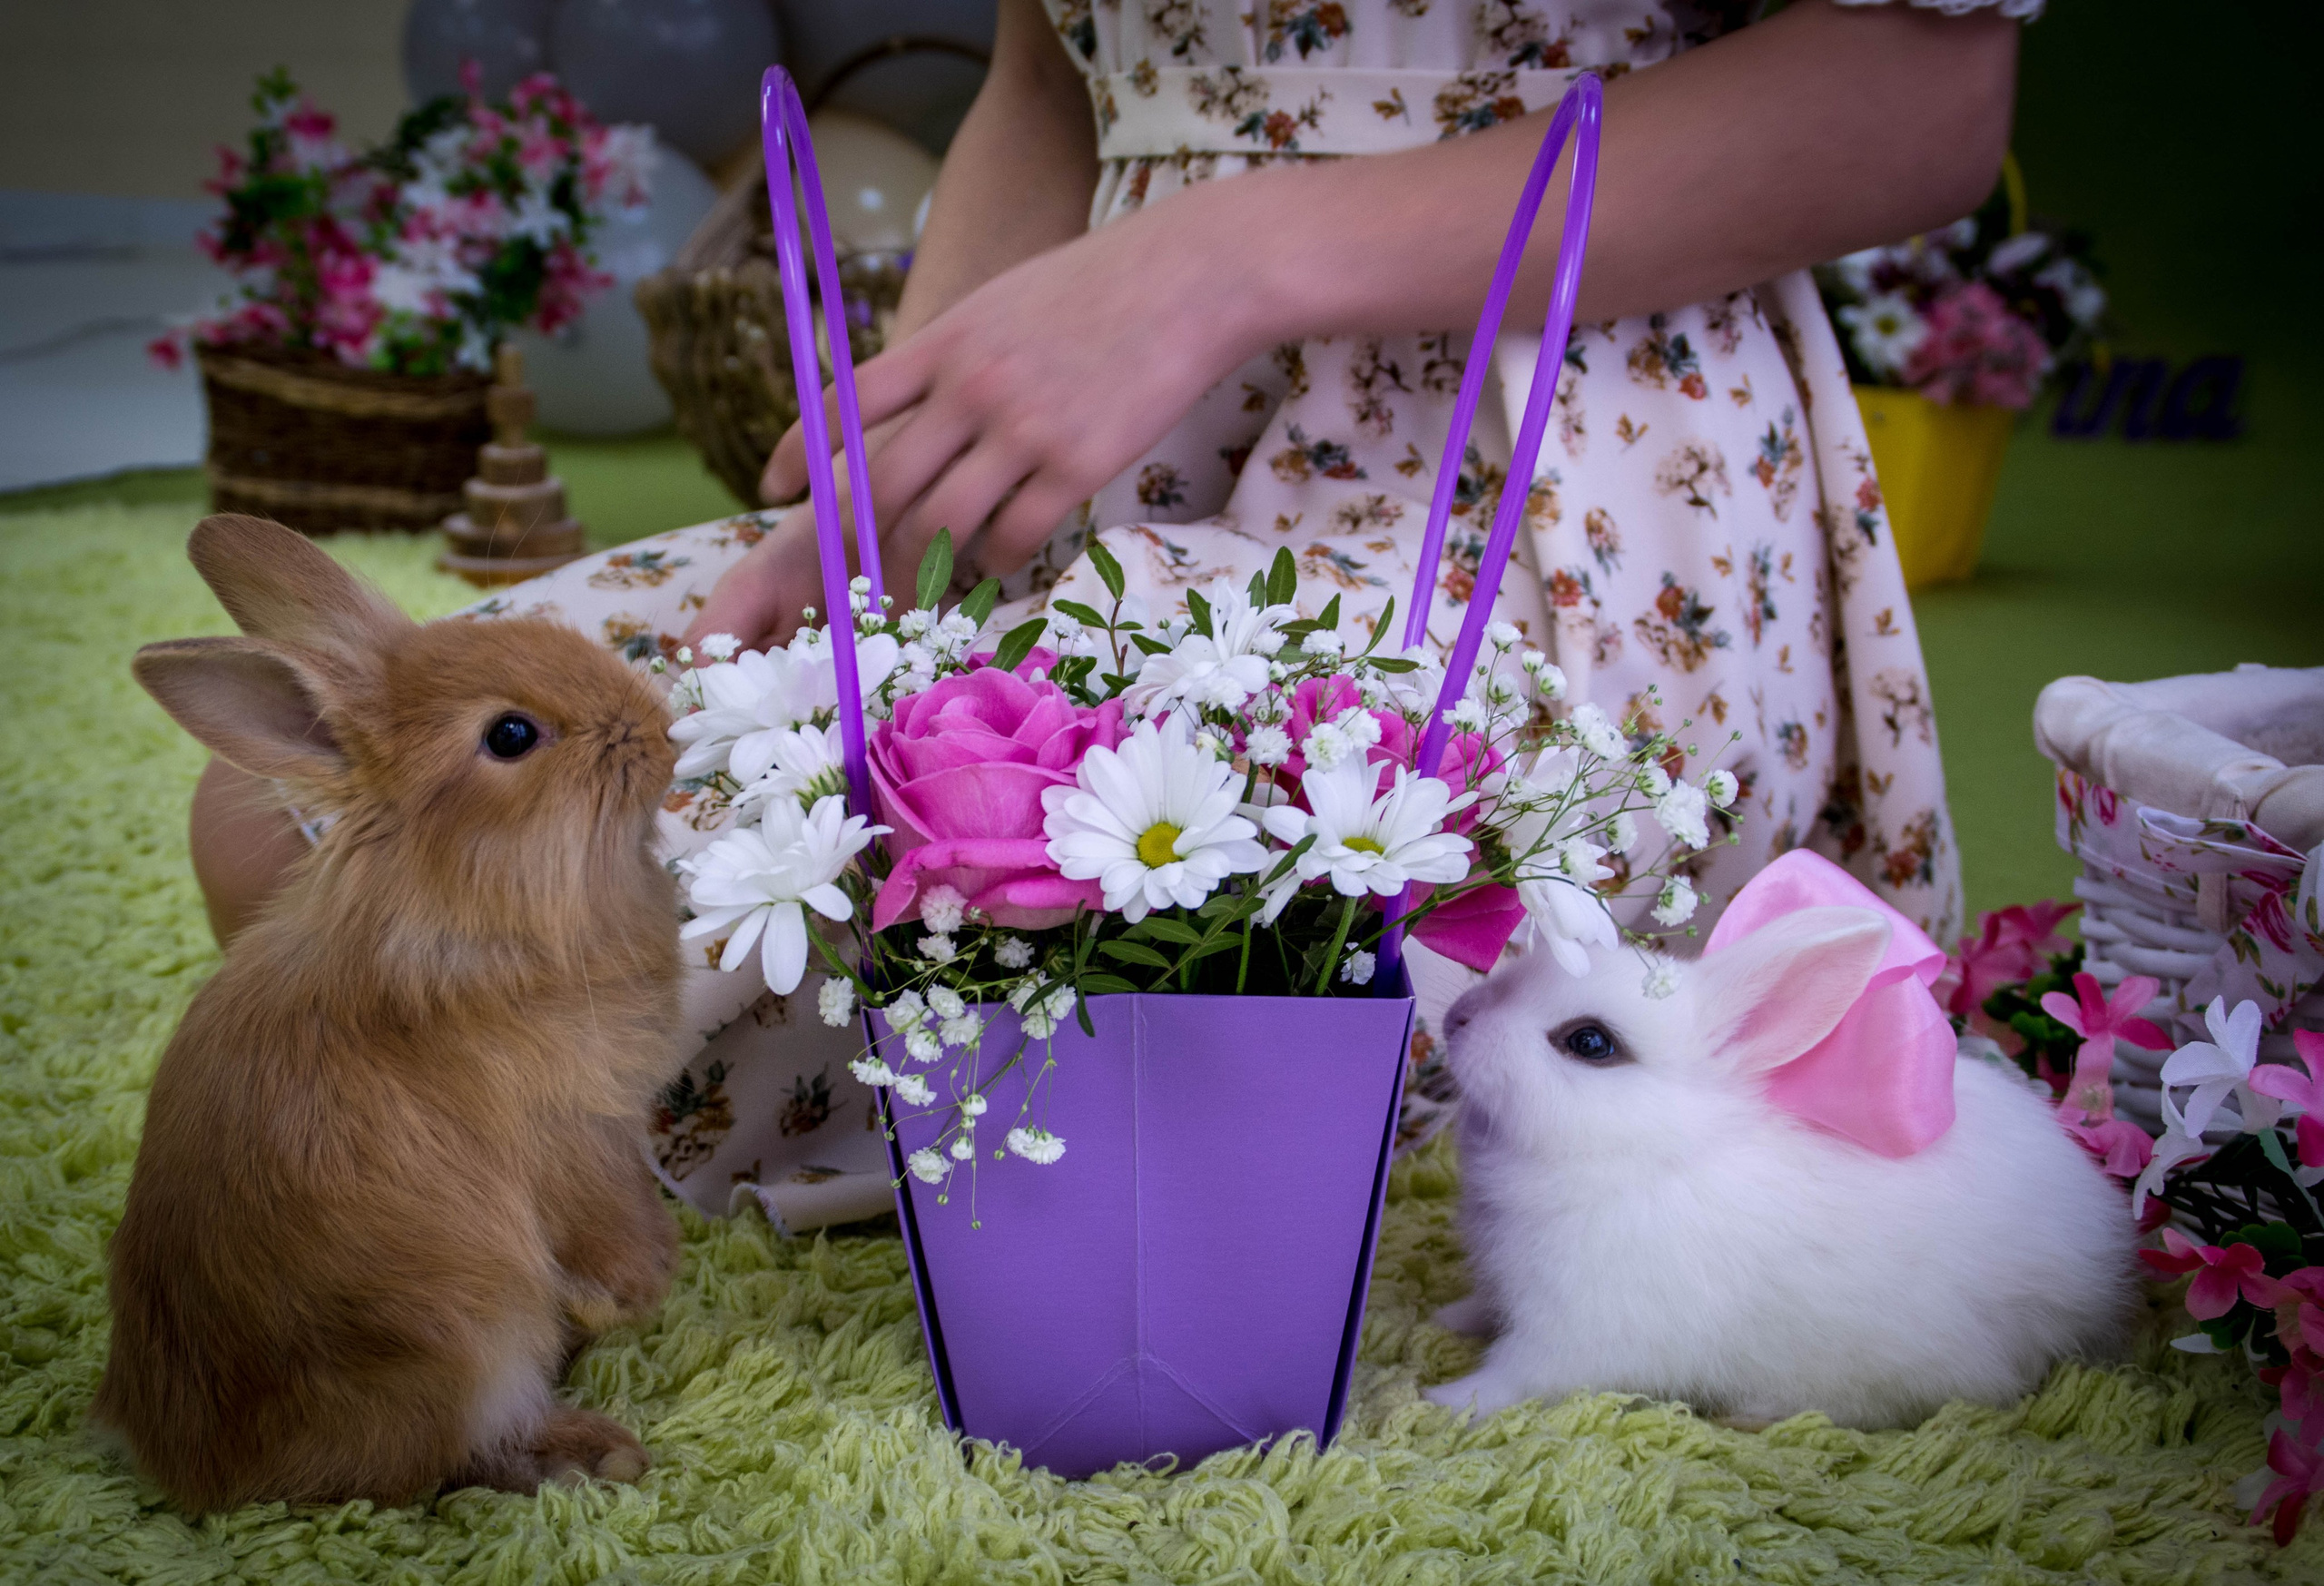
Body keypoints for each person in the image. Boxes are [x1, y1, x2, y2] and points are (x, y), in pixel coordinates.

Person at [189, 0, 2029, 1226]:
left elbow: (1920, 91)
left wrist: (1223, 260)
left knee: (1129, 978)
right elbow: (1050, 77)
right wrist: (887, 485)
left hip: (1530, 481)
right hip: (1078, 474)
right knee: (317, 838)